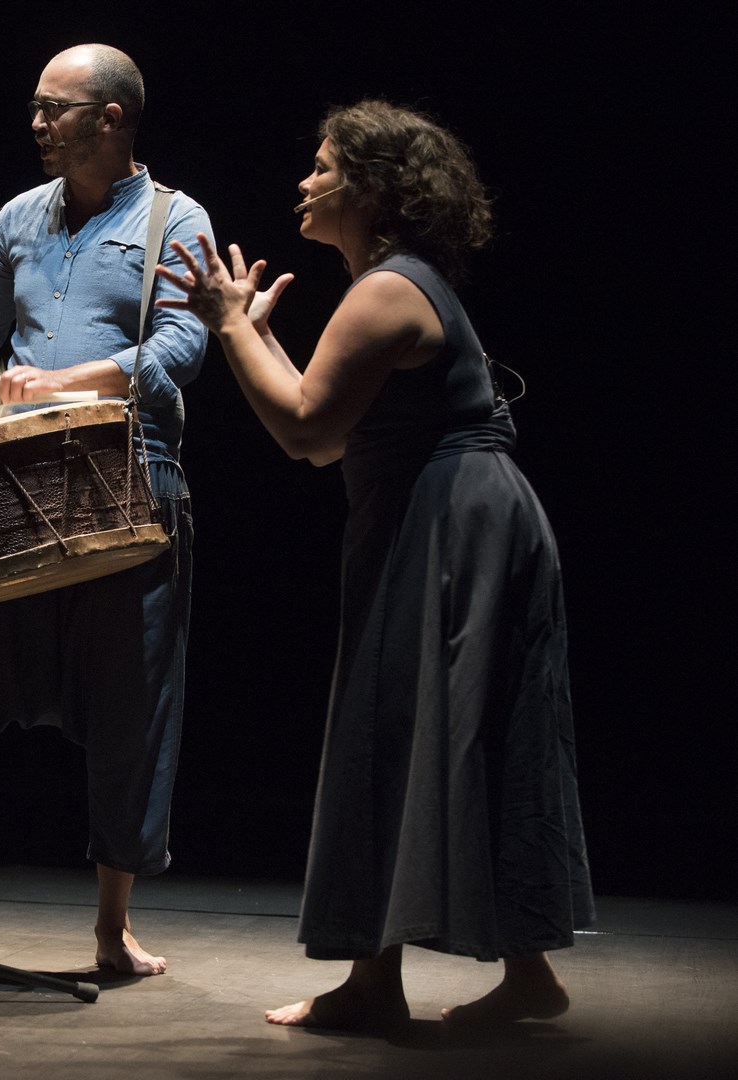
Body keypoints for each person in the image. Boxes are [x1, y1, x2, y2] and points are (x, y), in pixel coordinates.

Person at [157, 100, 593, 1029]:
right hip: (444, 517)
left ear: (374, 186)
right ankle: (507, 974)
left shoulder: (390, 290)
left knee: (402, 723)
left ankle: (379, 985)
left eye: (322, 167)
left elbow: (306, 431)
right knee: (447, 725)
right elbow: (318, 425)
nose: (305, 182)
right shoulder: (394, 286)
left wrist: (231, 325)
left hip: (451, 525)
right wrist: (254, 334)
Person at [0, 44, 211, 977]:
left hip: (130, 476)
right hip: (9, 483)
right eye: (36, 109)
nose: (36, 124)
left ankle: (112, 927)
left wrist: (72, 378)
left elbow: (185, 341)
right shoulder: (17, 217)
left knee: (131, 709)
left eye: (55, 109)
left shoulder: (176, 218)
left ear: (111, 117)